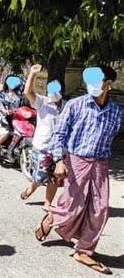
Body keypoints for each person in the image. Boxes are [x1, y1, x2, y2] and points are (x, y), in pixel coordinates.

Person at [34, 65, 121, 275]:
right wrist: (59, 161)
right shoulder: (75, 105)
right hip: (76, 160)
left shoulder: (117, 112)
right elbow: (59, 135)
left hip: (100, 163)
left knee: (100, 210)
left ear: (107, 84)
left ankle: (84, 250)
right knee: (73, 207)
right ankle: (53, 217)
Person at [19, 65, 65, 211]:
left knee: (55, 178)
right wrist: (32, 74)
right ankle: (30, 189)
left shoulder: (68, 106)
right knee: (40, 177)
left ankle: (47, 203)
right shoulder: (43, 102)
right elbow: (28, 92)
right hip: (42, 147)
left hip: (59, 149)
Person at [0, 75, 23, 157]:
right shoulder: (2, 94)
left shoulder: (19, 94)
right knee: (7, 132)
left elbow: (23, 104)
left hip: (16, 117)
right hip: (3, 117)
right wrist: (4, 110)